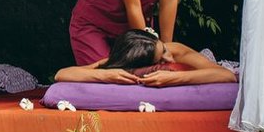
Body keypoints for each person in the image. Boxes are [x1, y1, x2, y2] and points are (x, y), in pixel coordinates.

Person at [55, 28, 236, 86]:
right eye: (161, 61)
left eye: (164, 50)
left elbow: (226, 76)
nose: (170, 60)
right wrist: (104, 75)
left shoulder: (177, 51)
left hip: (205, 62)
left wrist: (176, 77)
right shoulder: (126, 63)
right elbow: (61, 74)